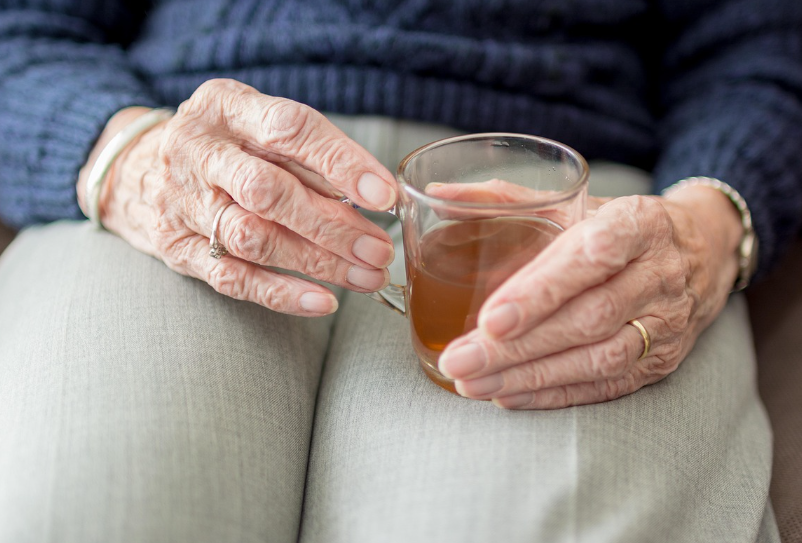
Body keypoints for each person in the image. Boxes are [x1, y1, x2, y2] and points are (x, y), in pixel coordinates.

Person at [0, 0, 800, 541]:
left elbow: (765, 45)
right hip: (189, 153)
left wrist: (711, 218)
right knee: (84, 508)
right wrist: (122, 155)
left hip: (563, 190)